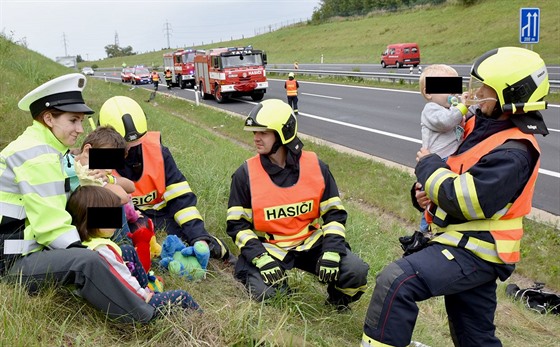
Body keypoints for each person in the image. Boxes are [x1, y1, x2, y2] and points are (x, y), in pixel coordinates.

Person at [362, 46, 549, 346]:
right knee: (474, 337)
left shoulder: (514, 151)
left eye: (485, 87)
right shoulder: (478, 124)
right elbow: (451, 171)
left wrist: (427, 167)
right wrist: (421, 194)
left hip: (479, 251)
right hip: (460, 241)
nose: (476, 92)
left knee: (397, 281)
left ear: (508, 94)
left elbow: (465, 199)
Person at [0, 73, 155, 323]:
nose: (80, 129)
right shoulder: (38, 156)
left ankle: (131, 268)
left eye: (81, 121)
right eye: (73, 121)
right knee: (87, 261)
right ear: (48, 118)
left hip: (25, 246)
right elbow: (52, 229)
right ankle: (145, 314)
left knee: (108, 225)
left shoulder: (47, 149)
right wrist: (95, 250)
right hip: (12, 263)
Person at [226, 99, 369, 309]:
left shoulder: (316, 167)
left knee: (355, 270)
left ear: (283, 133)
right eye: (255, 132)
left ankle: (337, 303)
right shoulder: (245, 174)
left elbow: (334, 213)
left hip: (310, 242)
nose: (256, 138)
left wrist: (332, 250)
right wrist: (259, 256)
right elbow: (237, 225)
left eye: (263, 132)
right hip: (270, 247)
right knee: (267, 294)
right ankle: (280, 289)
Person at [97, 95, 234, 264]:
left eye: (135, 144)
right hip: (127, 221)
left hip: (162, 216)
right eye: (122, 147)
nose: (129, 151)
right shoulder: (96, 158)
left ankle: (221, 253)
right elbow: (98, 216)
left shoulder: (157, 152)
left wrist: (198, 236)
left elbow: (181, 199)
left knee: (202, 242)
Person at [66, 185, 200, 314]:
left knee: (127, 250)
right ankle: (200, 318)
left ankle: (146, 285)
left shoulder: (88, 243)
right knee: (183, 296)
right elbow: (122, 278)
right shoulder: (104, 251)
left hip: (115, 294)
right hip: (132, 305)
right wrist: (143, 296)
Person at [64, 125, 140, 243]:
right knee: (111, 202)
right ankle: (123, 244)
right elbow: (123, 197)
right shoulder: (83, 171)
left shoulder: (83, 162)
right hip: (74, 220)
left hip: (80, 217)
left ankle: (125, 243)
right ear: (88, 151)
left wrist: (109, 179)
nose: (108, 169)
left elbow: (131, 186)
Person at [416, 64, 469, 234]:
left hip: (450, 161)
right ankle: (425, 231)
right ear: (429, 92)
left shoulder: (451, 109)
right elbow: (445, 122)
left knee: (444, 199)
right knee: (432, 201)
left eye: (455, 88)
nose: (453, 93)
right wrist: (462, 108)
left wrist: (468, 104)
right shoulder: (431, 109)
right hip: (436, 162)